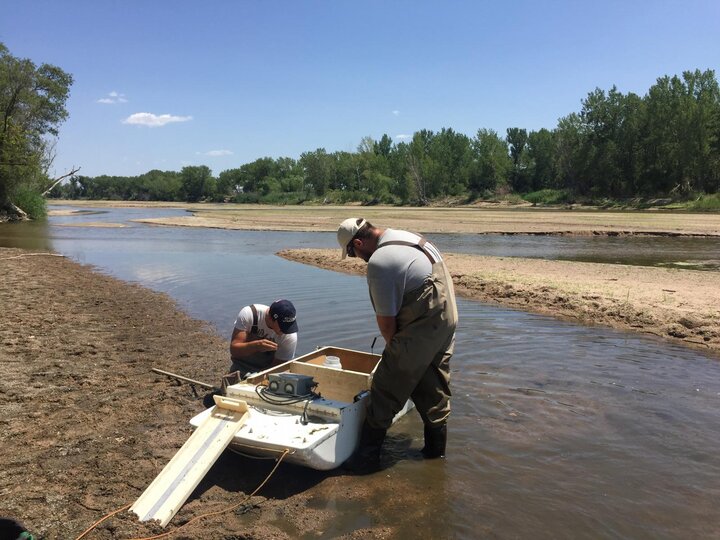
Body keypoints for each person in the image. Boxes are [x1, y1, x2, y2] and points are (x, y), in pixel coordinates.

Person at [337, 218, 458, 473]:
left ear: (358, 243)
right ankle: (435, 460)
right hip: (446, 320)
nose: (357, 258)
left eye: (353, 252)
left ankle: (365, 465)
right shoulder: (405, 235)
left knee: (384, 389)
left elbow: (386, 325)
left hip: (424, 324)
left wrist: (397, 357)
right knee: (432, 384)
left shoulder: (380, 262)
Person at [228, 299, 299, 378]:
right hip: (241, 365)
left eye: (290, 325)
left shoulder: (290, 336)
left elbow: (279, 366)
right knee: (229, 387)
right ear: (271, 318)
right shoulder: (250, 314)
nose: (286, 331)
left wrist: (258, 376)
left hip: (267, 370)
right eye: (283, 326)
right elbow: (234, 350)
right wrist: (256, 346)